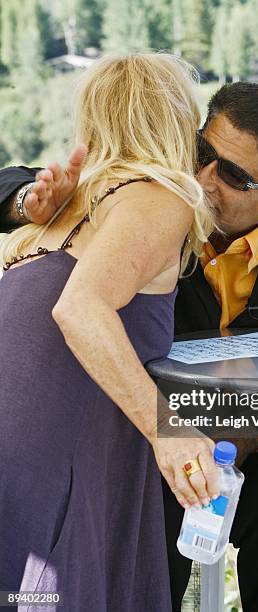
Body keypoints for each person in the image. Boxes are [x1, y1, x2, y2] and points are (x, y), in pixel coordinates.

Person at [0, 82, 258, 611]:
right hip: (152, 432)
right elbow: (24, 180)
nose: (202, 179)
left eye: (231, 174)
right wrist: (28, 200)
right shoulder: (155, 205)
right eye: (202, 152)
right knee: (145, 523)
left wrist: (233, 441)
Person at [0, 52, 221, 612]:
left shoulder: (67, 205)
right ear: (178, 119)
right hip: (60, 453)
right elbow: (80, 309)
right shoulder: (159, 196)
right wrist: (167, 430)